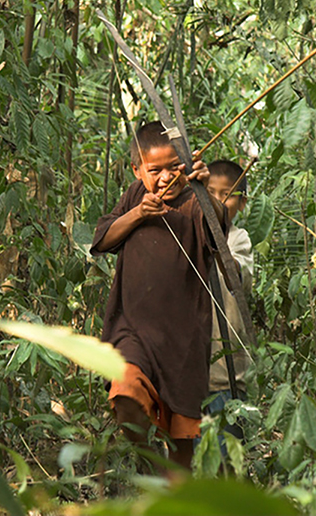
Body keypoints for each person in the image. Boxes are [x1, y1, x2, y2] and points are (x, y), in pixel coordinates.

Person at [91, 122, 225, 470]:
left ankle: (172, 493)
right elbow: (103, 239)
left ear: (186, 162)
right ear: (137, 170)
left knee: (183, 449)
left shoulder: (195, 200)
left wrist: (205, 189)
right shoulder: (136, 195)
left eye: (173, 167)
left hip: (183, 342)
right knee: (125, 394)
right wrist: (138, 213)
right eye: (155, 170)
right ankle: (151, 463)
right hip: (133, 329)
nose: (166, 177)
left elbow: (217, 229)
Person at [203, 159, 254, 444]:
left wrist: (216, 245)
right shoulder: (187, 233)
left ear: (242, 203)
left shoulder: (238, 238)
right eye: (210, 192)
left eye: (227, 194)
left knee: (227, 453)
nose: (218, 201)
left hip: (227, 374)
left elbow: (237, 273)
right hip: (192, 373)